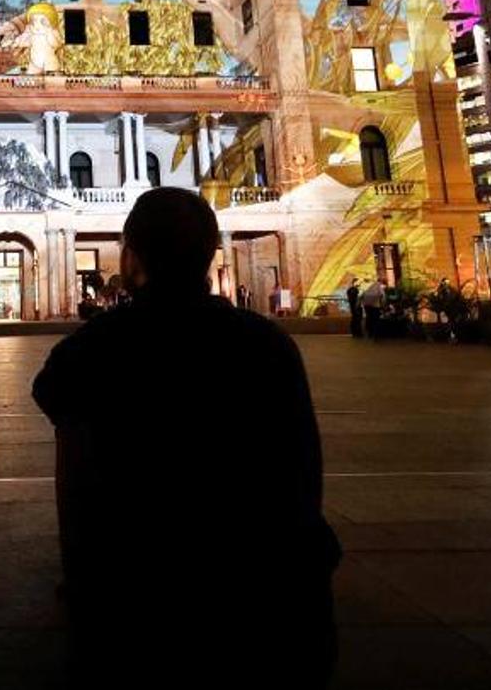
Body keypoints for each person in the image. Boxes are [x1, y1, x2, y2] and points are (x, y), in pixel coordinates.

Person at [32, 188, 339, 687]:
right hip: (262, 601)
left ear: (129, 258)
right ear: (211, 255)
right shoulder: (268, 344)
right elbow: (304, 470)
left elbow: (54, 403)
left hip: (137, 602)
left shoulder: (91, 349)